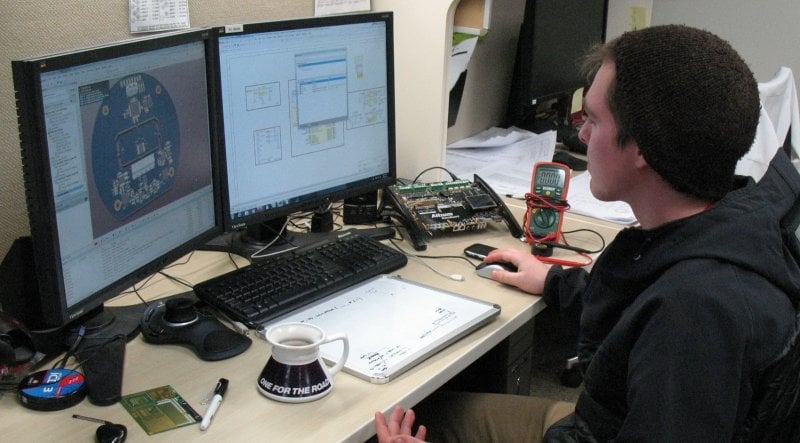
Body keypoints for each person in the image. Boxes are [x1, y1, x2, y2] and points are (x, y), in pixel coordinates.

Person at [374, 24, 800, 442]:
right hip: (609, 420)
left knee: (413, 418)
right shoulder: (724, 225)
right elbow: (641, 305)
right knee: (430, 409)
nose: (581, 134)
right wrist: (555, 282)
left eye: (594, 120)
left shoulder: (694, 315)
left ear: (642, 150)